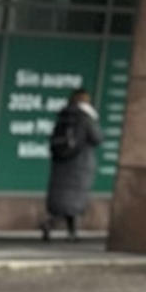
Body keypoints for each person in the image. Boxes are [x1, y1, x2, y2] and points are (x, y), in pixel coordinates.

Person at [42, 85, 99, 241]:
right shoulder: (86, 118)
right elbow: (97, 138)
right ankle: (69, 231)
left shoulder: (64, 116)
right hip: (80, 163)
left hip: (61, 163)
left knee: (64, 198)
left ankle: (55, 225)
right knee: (75, 199)